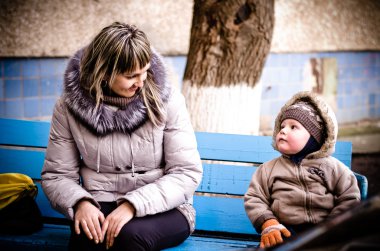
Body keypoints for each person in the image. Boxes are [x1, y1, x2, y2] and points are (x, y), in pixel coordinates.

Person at [41, 22, 203, 251]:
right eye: (131, 76)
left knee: (128, 237)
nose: (141, 81)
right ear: (104, 73)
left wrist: (132, 205)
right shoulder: (68, 108)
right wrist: (80, 203)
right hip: (99, 202)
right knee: (87, 238)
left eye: (145, 71)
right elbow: (57, 174)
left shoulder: (168, 101)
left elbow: (186, 172)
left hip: (166, 207)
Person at [244, 91, 361, 249]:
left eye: (293, 127)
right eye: (282, 126)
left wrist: (332, 227)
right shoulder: (268, 169)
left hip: (324, 232)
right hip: (283, 232)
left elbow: (349, 197)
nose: (283, 131)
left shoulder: (333, 168)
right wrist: (269, 223)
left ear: (314, 138)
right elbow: (255, 198)